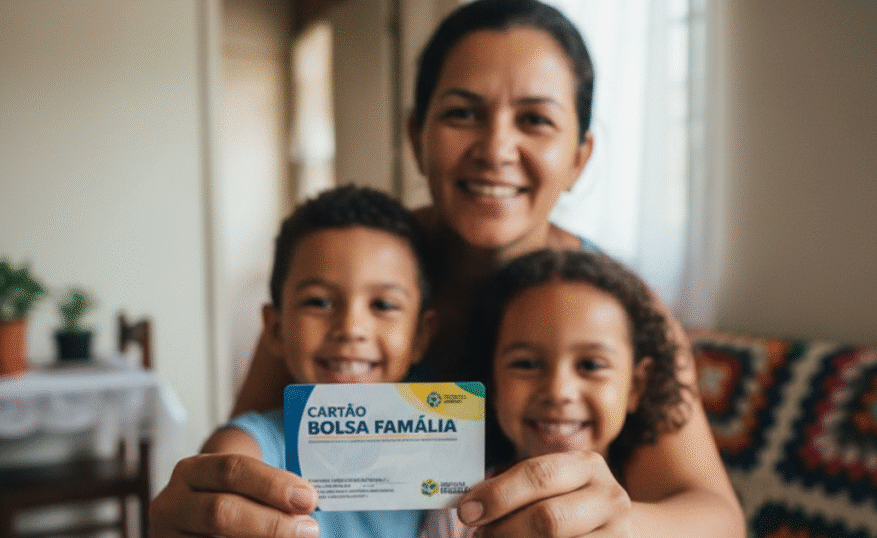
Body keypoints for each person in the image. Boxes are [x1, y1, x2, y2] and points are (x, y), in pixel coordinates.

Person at [149, 1, 744, 537]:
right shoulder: (350, 277)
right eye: (462, 113)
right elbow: (252, 451)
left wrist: (628, 528)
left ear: (579, 157)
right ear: (417, 136)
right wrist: (206, 510)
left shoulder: (616, 306)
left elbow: (718, 518)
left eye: (535, 120)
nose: (495, 148)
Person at [182, 185, 435, 538]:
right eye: (319, 302)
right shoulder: (249, 452)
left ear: (422, 336)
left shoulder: (447, 438)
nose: (351, 329)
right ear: (275, 329)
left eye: (383, 305)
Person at [421, 249, 688, 537]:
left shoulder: (663, 515)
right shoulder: (461, 508)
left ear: (635, 386)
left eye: (591, 365)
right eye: (527, 364)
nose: (558, 391)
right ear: (492, 382)